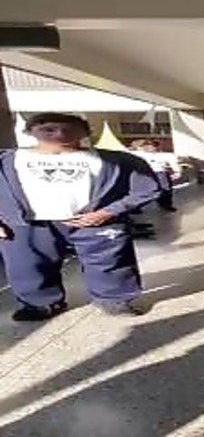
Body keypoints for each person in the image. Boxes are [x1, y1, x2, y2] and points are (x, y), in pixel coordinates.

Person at [0, 113, 161, 321]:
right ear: (28, 131)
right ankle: (40, 304)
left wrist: (107, 212)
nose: (59, 133)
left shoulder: (120, 161)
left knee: (110, 262)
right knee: (27, 265)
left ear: (87, 132)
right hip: (26, 224)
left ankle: (115, 301)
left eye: (68, 129)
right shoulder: (5, 161)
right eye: (49, 129)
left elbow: (146, 189)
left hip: (95, 222)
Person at [131, 139, 181, 212]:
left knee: (165, 190)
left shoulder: (165, 155)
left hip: (160, 173)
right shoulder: (138, 154)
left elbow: (174, 164)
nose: (149, 148)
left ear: (156, 147)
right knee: (141, 191)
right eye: (146, 146)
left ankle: (166, 205)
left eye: (152, 146)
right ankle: (135, 207)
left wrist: (177, 172)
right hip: (145, 173)